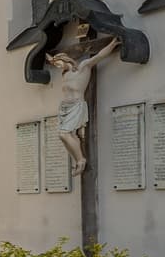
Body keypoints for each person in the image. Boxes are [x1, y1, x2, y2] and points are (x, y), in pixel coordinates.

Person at [46, 26, 118, 178]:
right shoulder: (65, 75)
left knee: (64, 134)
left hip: (76, 105)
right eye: (56, 66)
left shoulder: (83, 68)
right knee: (65, 135)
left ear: (65, 59)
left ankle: (81, 160)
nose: (58, 67)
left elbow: (98, 56)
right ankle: (77, 159)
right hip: (65, 108)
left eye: (58, 64)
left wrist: (112, 44)